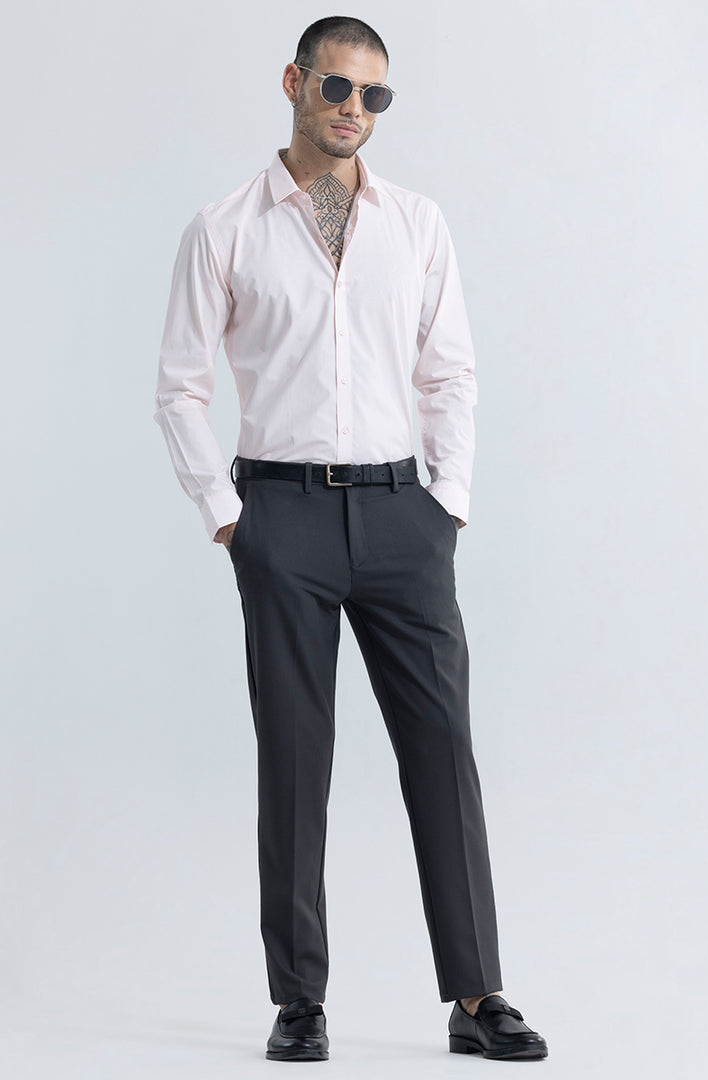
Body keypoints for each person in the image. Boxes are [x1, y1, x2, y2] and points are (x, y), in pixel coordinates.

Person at [153, 14, 548, 1064]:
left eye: (374, 95)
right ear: (294, 81)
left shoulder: (417, 223)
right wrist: (228, 517)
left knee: (442, 750)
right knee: (294, 758)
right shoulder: (225, 228)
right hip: (279, 516)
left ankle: (476, 995)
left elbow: (448, 371)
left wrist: (446, 503)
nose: (354, 109)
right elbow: (180, 388)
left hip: (402, 517)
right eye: (337, 86)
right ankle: (299, 1001)